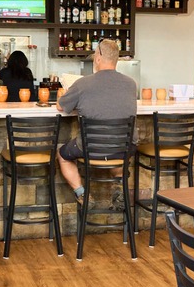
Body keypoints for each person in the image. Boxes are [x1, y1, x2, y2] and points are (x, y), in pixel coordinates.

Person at [56, 39, 137, 210]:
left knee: (62, 155)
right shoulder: (131, 84)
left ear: (98, 58)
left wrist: (61, 94)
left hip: (90, 148)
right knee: (117, 157)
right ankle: (120, 188)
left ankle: (82, 194)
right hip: (124, 148)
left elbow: (61, 106)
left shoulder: (83, 83)